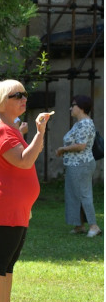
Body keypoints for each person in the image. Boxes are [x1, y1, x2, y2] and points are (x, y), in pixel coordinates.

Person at [0, 80, 52, 302]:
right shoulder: (1, 130)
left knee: (9, 263)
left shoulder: (9, 129)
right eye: (17, 95)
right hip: (6, 204)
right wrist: (40, 133)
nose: (24, 98)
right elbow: (24, 162)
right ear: (2, 100)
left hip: (16, 205)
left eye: (25, 94)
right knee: (0, 262)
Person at [56, 95, 101, 237]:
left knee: (83, 195)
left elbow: (81, 146)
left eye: (73, 105)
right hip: (75, 164)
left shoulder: (85, 124)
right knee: (74, 194)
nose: (71, 108)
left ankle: (94, 226)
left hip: (82, 164)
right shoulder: (78, 123)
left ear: (81, 107)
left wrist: (63, 149)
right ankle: (79, 225)